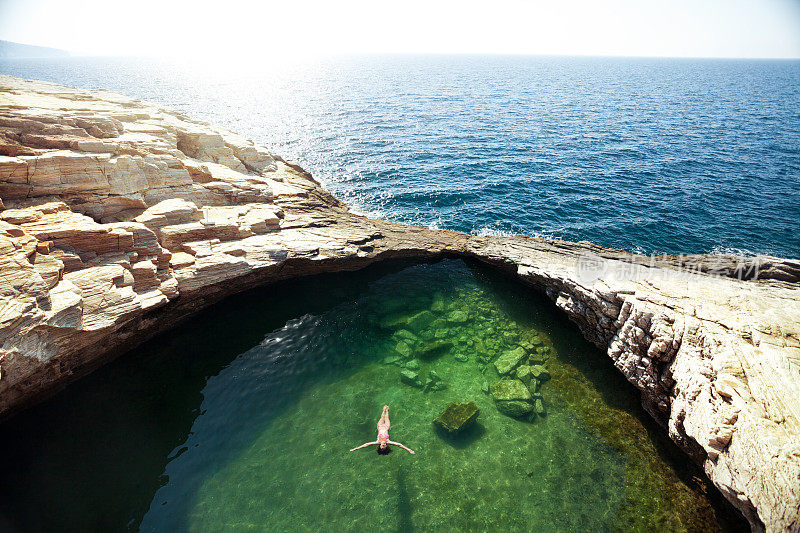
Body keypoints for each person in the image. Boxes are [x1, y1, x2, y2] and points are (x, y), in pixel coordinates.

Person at [349, 405, 416, 455]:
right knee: (386, 417)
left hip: (380, 426)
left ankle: (383, 410)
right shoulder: (388, 441)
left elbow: (366, 444)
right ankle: (386, 410)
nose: (383, 444)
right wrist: (409, 450)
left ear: (380, 446)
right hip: (386, 426)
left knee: (382, 417)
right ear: (386, 446)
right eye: (384, 446)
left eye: (382, 446)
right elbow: (399, 444)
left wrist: (355, 448)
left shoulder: (377, 441)